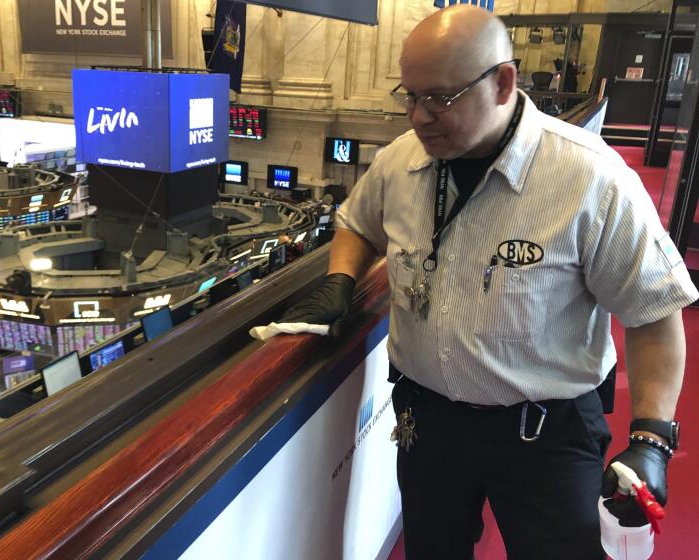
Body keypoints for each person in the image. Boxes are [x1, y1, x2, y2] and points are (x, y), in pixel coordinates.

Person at [280, 5, 697, 559]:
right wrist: (339, 278)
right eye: (410, 96)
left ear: (503, 82)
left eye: (440, 98)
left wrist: (651, 439)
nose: (418, 117)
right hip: (427, 425)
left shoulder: (589, 178)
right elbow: (356, 222)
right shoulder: (400, 163)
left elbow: (655, 311)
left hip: (546, 433)